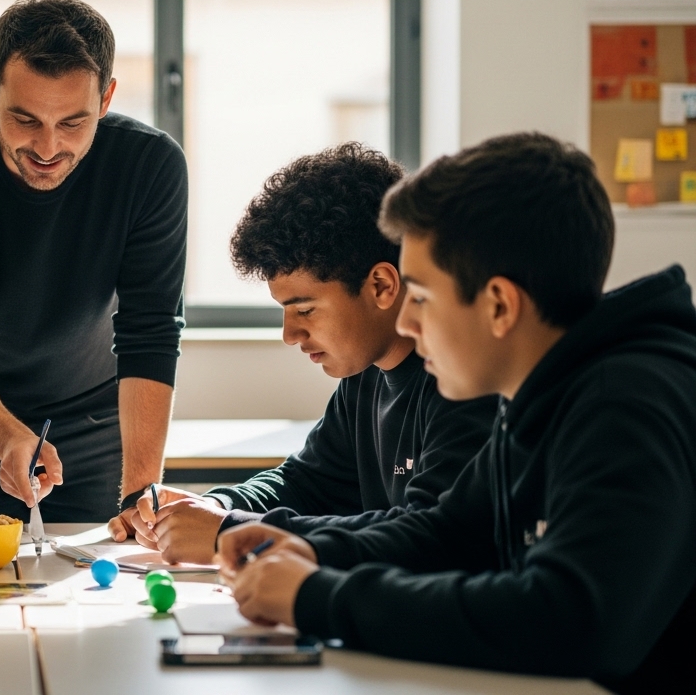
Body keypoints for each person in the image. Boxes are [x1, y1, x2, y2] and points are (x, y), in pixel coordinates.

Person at [217, 133, 696, 692]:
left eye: (419, 297)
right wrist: (308, 548)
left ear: (498, 305)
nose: (407, 324)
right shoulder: (550, 391)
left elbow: (569, 620)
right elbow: (451, 531)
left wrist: (318, 597)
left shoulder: (625, 401)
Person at [0, 0, 187, 528]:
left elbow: (149, 332)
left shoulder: (151, 166)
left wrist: (141, 489)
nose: (48, 147)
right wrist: (7, 436)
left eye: (73, 123)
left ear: (106, 99)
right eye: (24, 119)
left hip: (94, 427)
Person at [129, 144, 494, 564]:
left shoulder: (463, 382)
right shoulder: (366, 375)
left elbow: (425, 536)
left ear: (380, 286)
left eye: (305, 310)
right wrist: (215, 507)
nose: (290, 334)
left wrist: (233, 532)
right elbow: (307, 482)